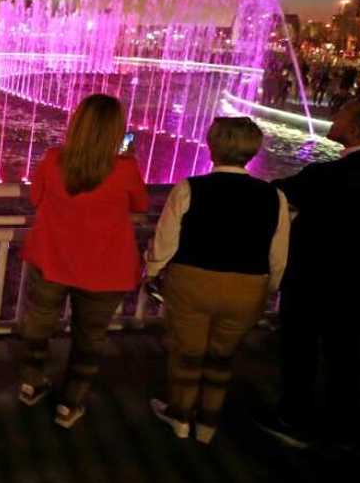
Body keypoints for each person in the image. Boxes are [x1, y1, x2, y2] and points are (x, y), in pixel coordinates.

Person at [145, 117, 290, 444]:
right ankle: (208, 424)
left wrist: (152, 271)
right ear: (252, 150)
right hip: (247, 287)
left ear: (213, 146)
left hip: (193, 282)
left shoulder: (190, 188)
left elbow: (166, 241)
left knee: (188, 353)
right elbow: (278, 252)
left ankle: (180, 416)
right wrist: (269, 287)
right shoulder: (273, 196)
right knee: (223, 356)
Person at [15, 94, 148, 429]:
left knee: (39, 322)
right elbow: (141, 205)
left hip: (52, 258)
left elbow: (35, 198)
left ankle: (31, 382)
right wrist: (127, 161)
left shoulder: (53, 159)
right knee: (90, 336)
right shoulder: (125, 169)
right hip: (105, 269)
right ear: (115, 131)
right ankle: (70, 403)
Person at [255, 99, 360, 450]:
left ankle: (293, 418)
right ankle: (344, 425)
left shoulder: (324, 175)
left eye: (342, 113)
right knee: (347, 354)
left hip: (313, 281)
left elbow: (272, 194)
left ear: (356, 127)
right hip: (356, 287)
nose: (334, 117)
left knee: (300, 350)